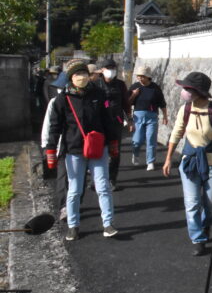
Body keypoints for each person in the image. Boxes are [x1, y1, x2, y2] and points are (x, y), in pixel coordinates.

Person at [45, 59, 120, 241]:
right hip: (73, 149)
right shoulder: (62, 99)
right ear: (71, 77)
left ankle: (108, 224)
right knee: (74, 190)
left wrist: (113, 142)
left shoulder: (99, 94)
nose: (83, 77)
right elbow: (54, 127)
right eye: (78, 74)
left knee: (103, 187)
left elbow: (107, 120)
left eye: (85, 73)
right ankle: (73, 225)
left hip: (98, 148)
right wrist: (50, 151)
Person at [162, 72, 212, 256]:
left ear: (199, 91)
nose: (185, 91)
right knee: (192, 203)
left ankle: (205, 227)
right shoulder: (185, 109)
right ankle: (198, 238)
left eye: (188, 89)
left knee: (211, 204)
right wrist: (168, 159)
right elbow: (176, 133)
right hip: (189, 162)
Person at [95, 58, 132, 191]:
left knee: (114, 152)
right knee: (97, 151)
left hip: (116, 121)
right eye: (108, 68)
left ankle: (112, 179)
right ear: (102, 70)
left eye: (113, 68)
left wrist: (130, 119)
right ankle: (98, 179)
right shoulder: (95, 84)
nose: (110, 71)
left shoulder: (120, 85)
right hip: (99, 123)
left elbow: (126, 103)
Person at [40, 71, 69, 221]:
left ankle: (73, 203)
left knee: (78, 180)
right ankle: (64, 206)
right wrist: (46, 145)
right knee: (63, 176)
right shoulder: (55, 102)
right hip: (60, 146)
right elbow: (48, 125)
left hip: (79, 146)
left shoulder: (83, 100)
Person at [129, 65, 168, 171]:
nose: (140, 78)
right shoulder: (134, 87)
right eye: (138, 76)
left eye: (142, 76)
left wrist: (165, 116)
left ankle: (150, 161)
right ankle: (135, 153)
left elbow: (162, 103)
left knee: (151, 139)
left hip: (152, 116)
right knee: (137, 140)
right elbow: (128, 102)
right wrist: (133, 95)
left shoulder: (155, 88)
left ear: (148, 77)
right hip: (138, 116)